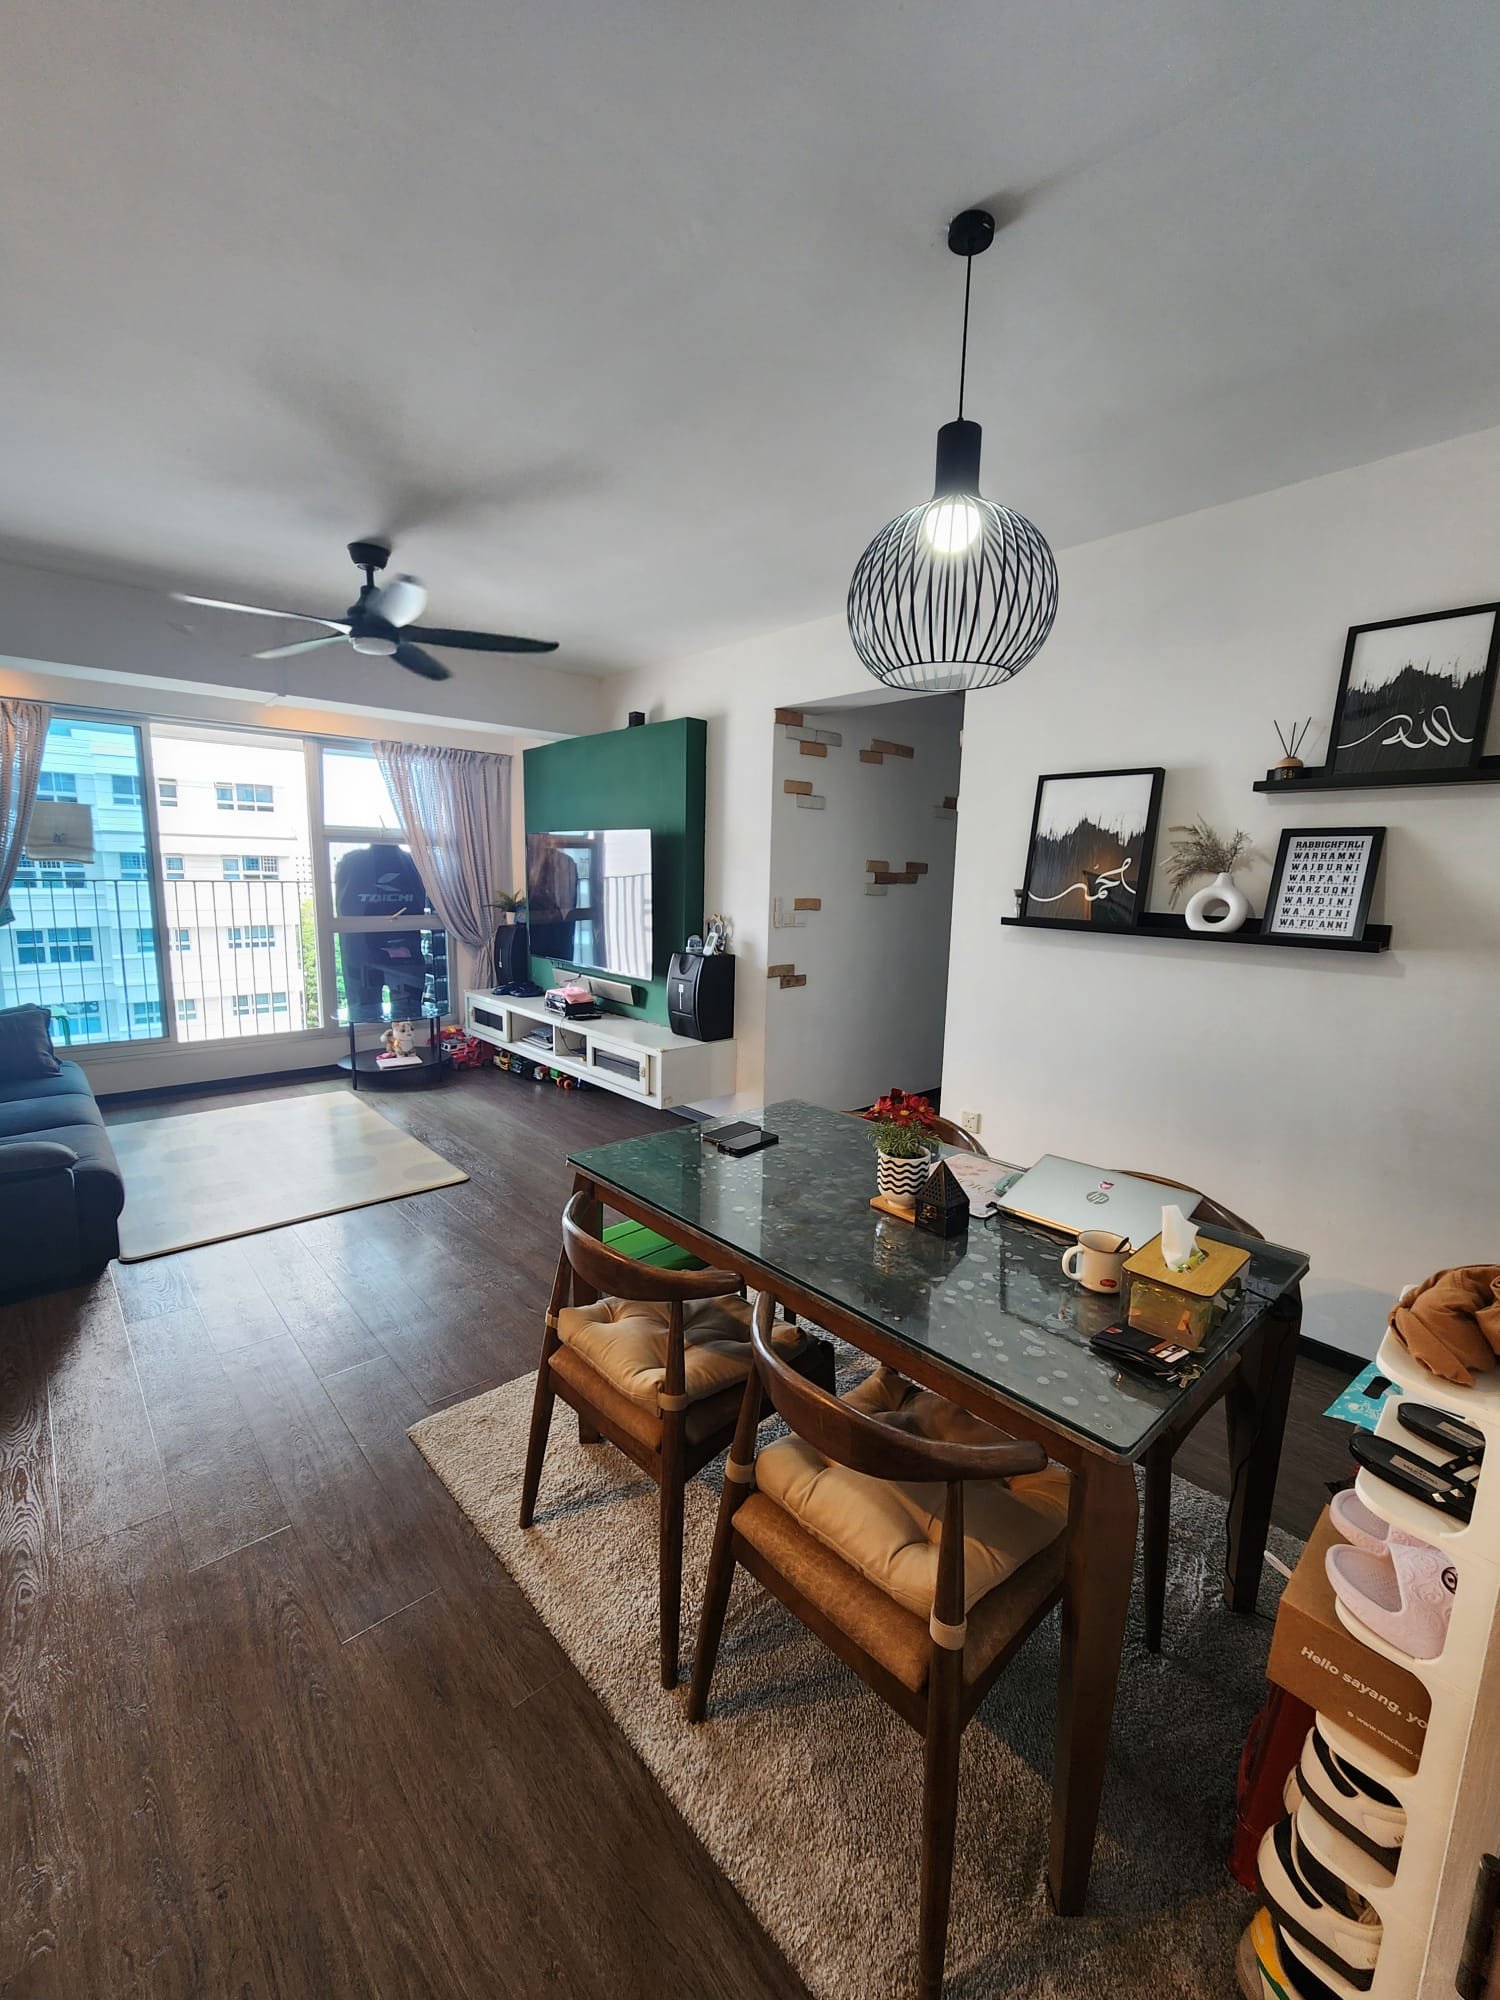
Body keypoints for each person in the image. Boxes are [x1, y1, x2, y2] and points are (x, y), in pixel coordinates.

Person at [334, 842, 430, 1023]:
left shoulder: (411, 863)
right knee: (370, 1016)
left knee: (405, 1017)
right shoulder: (411, 863)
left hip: (381, 955)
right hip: (370, 956)